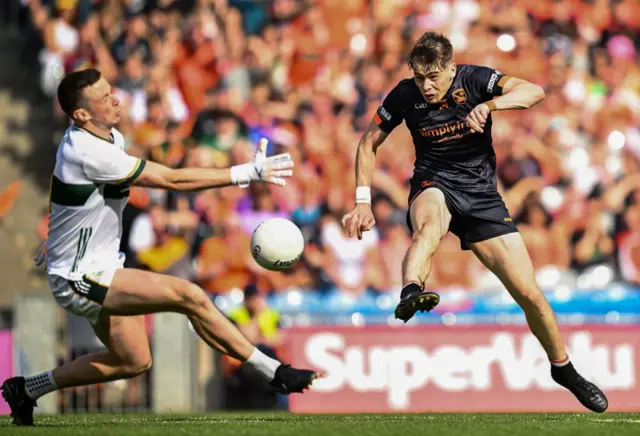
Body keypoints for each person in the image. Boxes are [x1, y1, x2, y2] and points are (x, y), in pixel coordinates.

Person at [1, 68, 318, 426]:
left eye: (111, 92)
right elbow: (171, 179)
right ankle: (274, 371)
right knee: (190, 295)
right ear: (81, 115)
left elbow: (69, 193)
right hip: (81, 277)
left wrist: (56, 238)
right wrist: (246, 173)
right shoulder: (89, 150)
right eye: (104, 98)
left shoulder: (110, 138)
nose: (115, 100)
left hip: (97, 266)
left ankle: (27, 388)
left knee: (133, 361)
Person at [341, 31, 608, 413]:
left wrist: (493, 106)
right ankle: (410, 291)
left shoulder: (476, 80)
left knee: (529, 294)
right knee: (428, 227)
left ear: (451, 67)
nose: (426, 86)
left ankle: (563, 368)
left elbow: (534, 92)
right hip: (434, 182)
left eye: (433, 76)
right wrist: (361, 201)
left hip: (482, 196)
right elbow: (369, 142)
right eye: (420, 78)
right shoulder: (403, 95)